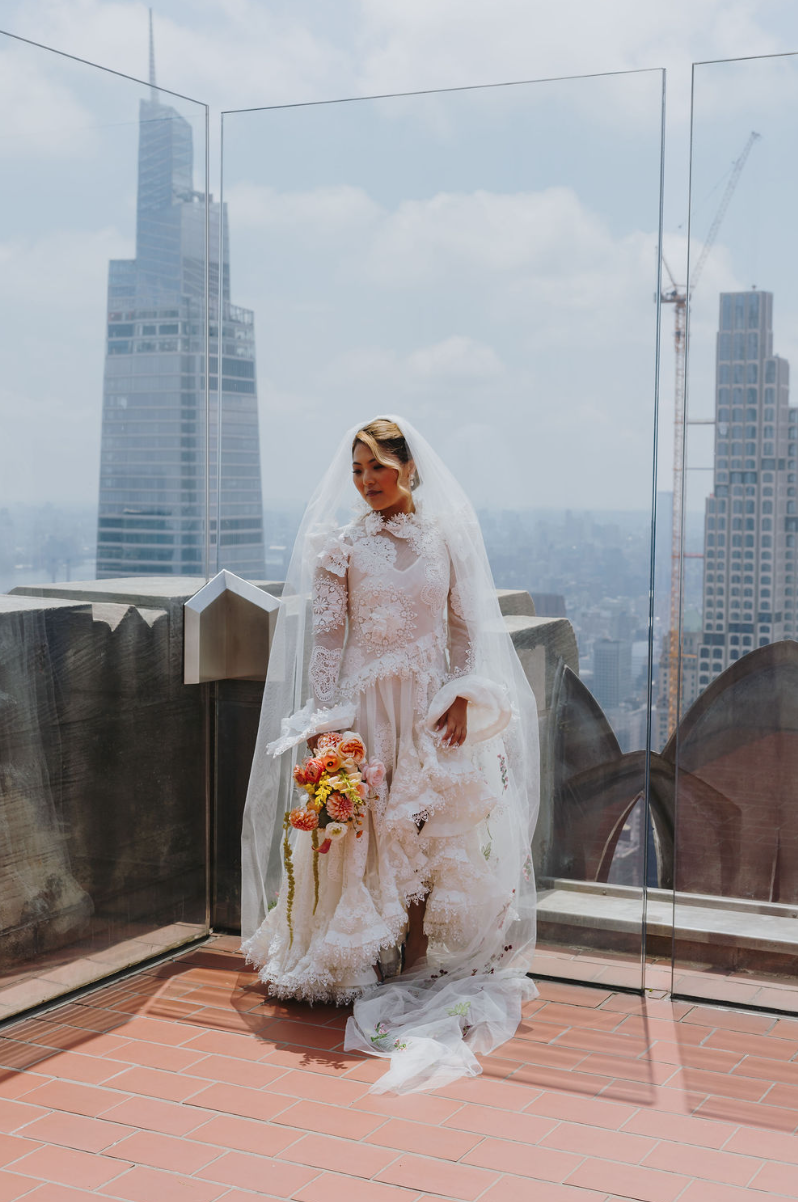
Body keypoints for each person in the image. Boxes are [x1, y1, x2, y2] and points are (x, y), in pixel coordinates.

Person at [241, 416, 540, 1093]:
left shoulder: (444, 541)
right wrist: (326, 725)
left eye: (377, 466)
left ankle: (412, 955)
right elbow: (325, 643)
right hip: (367, 709)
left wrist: (462, 697)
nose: (366, 481)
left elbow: (466, 629)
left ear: (409, 468)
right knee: (368, 829)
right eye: (357, 470)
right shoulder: (338, 547)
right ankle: (363, 960)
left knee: (428, 830)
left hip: (430, 711)